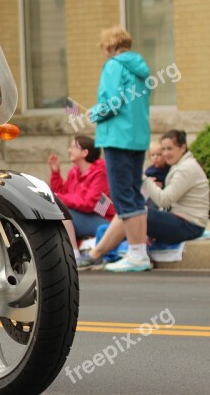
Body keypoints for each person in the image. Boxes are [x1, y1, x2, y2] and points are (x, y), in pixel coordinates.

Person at [80, 130, 209, 271]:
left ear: (183, 148)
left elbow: (164, 200)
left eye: (170, 149)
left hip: (189, 226)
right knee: (127, 213)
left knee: (132, 213)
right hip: (184, 222)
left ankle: (95, 256)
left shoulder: (186, 168)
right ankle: (98, 255)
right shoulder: (181, 166)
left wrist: (143, 178)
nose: (166, 153)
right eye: (164, 149)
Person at [77, 26, 151, 272]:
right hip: (138, 138)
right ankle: (139, 252)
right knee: (134, 194)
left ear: (109, 46)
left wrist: (94, 112)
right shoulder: (139, 67)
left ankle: (136, 254)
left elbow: (113, 102)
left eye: (103, 47)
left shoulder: (113, 65)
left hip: (117, 138)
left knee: (121, 196)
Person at [48, 136, 115, 258]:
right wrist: (55, 173)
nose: (69, 150)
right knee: (55, 210)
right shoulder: (74, 172)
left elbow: (90, 204)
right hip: (82, 218)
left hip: (103, 220)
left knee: (62, 211)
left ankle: (74, 255)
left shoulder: (101, 172)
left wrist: (59, 198)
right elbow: (62, 193)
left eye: (74, 147)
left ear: (85, 152)